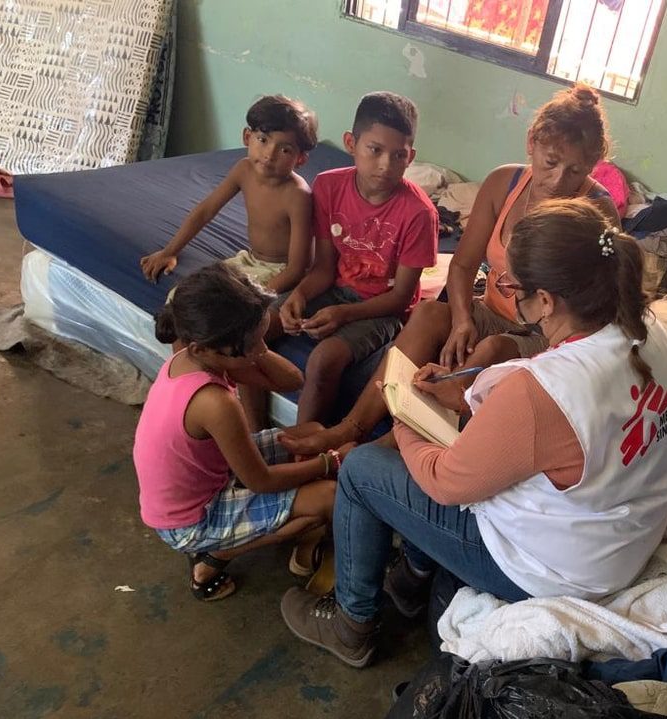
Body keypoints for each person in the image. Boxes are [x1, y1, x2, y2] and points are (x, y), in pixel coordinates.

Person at [279, 198, 667, 667]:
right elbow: (559, 417)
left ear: (547, 301)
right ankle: (412, 579)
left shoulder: (542, 393)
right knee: (444, 453)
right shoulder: (641, 327)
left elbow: (446, 483)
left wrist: (404, 413)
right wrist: (463, 399)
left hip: (555, 570)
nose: (507, 294)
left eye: (512, 286)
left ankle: (352, 624)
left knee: (364, 470)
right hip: (621, 541)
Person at [279, 84, 620, 456]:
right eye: (550, 162)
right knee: (427, 314)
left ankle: (384, 449)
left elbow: (584, 313)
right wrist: (461, 320)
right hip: (491, 309)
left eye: (576, 171)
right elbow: (461, 266)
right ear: (531, 142)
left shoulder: (596, 212)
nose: (558, 181)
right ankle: (350, 428)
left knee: (490, 348)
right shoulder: (503, 184)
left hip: (545, 329)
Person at [133, 264, 344, 602]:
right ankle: (214, 556)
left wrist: (255, 345)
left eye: (261, 337)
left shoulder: (195, 357)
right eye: (250, 346)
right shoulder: (214, 403)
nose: (258, 350)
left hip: (204, 483)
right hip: (189, 521)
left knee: (312, 431)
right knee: (328, 498)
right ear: (203, 348)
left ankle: (240, 534)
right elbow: (260, 480)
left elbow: (293, 381)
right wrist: (329, 461)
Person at [243, 91, 438, 431]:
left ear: (411, 157)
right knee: (249, 330)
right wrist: (300, 296)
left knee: (323, 360)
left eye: (399, 155)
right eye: (374, 150)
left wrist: (344, 314)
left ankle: (304, 453)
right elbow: (323, 268)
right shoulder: (329, 186)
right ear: (351, 143)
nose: (385, 165)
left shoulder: (419, 213)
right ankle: (256, 435)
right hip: (331, 289)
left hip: (381, 308)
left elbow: (402, 299)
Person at [140, 95, 317, 295]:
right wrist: (170, 251)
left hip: (280, 273)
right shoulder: (244, 169)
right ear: (247, 137)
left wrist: (256, 298)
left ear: (300, 159)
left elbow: (297, 269)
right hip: (248, 260)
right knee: (180, 295)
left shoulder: (297, 195)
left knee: (223, 314)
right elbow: (205, 211)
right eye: (263, 140)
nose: (269, 154)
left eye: (285, 149)